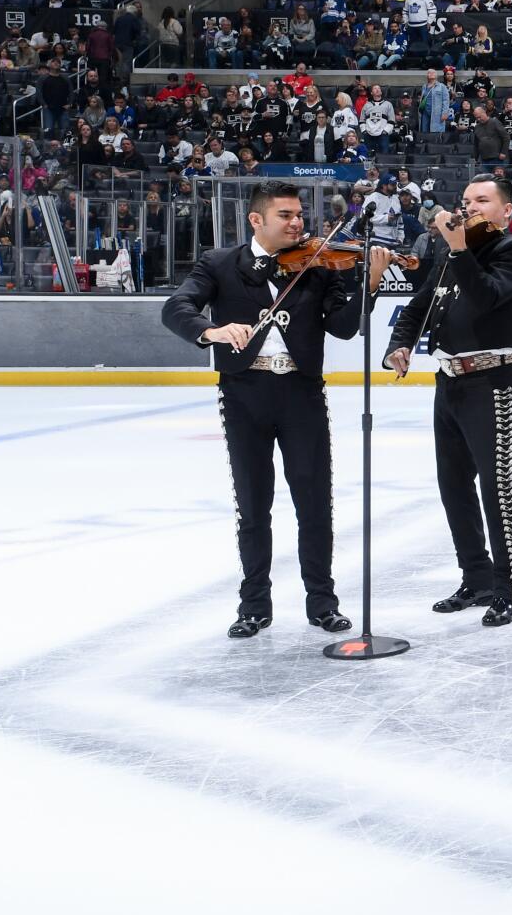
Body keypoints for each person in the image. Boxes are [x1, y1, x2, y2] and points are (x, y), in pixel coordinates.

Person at [160, 182, 393, 638]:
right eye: (285, 215)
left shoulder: (317, 265)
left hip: (301, 394)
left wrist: (371, 284)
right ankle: (254, 606)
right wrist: (212, 331)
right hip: (244, 393)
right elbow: (177, 307)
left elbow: (344, 329)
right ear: (256, 220)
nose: (297, 223)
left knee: (314, 505)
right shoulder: (220, 264)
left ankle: (322, 603)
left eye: (299, 215)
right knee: (252, 504)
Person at [384, 176, 512, 627]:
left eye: (482, 201)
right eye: (466, 200)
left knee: (495, 485)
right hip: (448, 379)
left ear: (505, 210)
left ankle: (509, 587)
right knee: (452, 484)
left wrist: (458, 251)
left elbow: (488, 296)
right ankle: (477, 578)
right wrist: (401, 343)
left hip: (493, 379)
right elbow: (418, 306)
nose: (469, 207)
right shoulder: (453, 253)